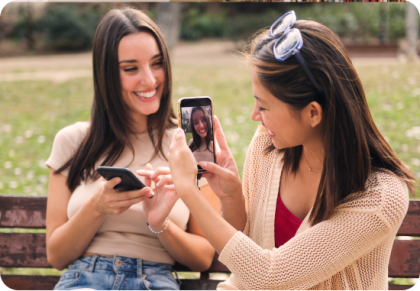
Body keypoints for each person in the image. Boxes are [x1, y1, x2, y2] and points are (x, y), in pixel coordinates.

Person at [166, 11, 416, 290]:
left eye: (263, 106)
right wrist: (232, 198)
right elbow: (242, 250)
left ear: (313, 113)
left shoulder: (381, 196)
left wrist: (188, 189)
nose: (254, 116)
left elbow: (268, 275)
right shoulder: (267, 147)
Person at [45, 8, 219, 291]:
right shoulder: (72, 141)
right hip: (84, 279)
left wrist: (159, 222)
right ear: (106, 75)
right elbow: (56, 255)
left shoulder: (189, 145)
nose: (149, 80)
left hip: (155, 281)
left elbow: (203, 257)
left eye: (157, 63)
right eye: (131, 68)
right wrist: (97, 207)